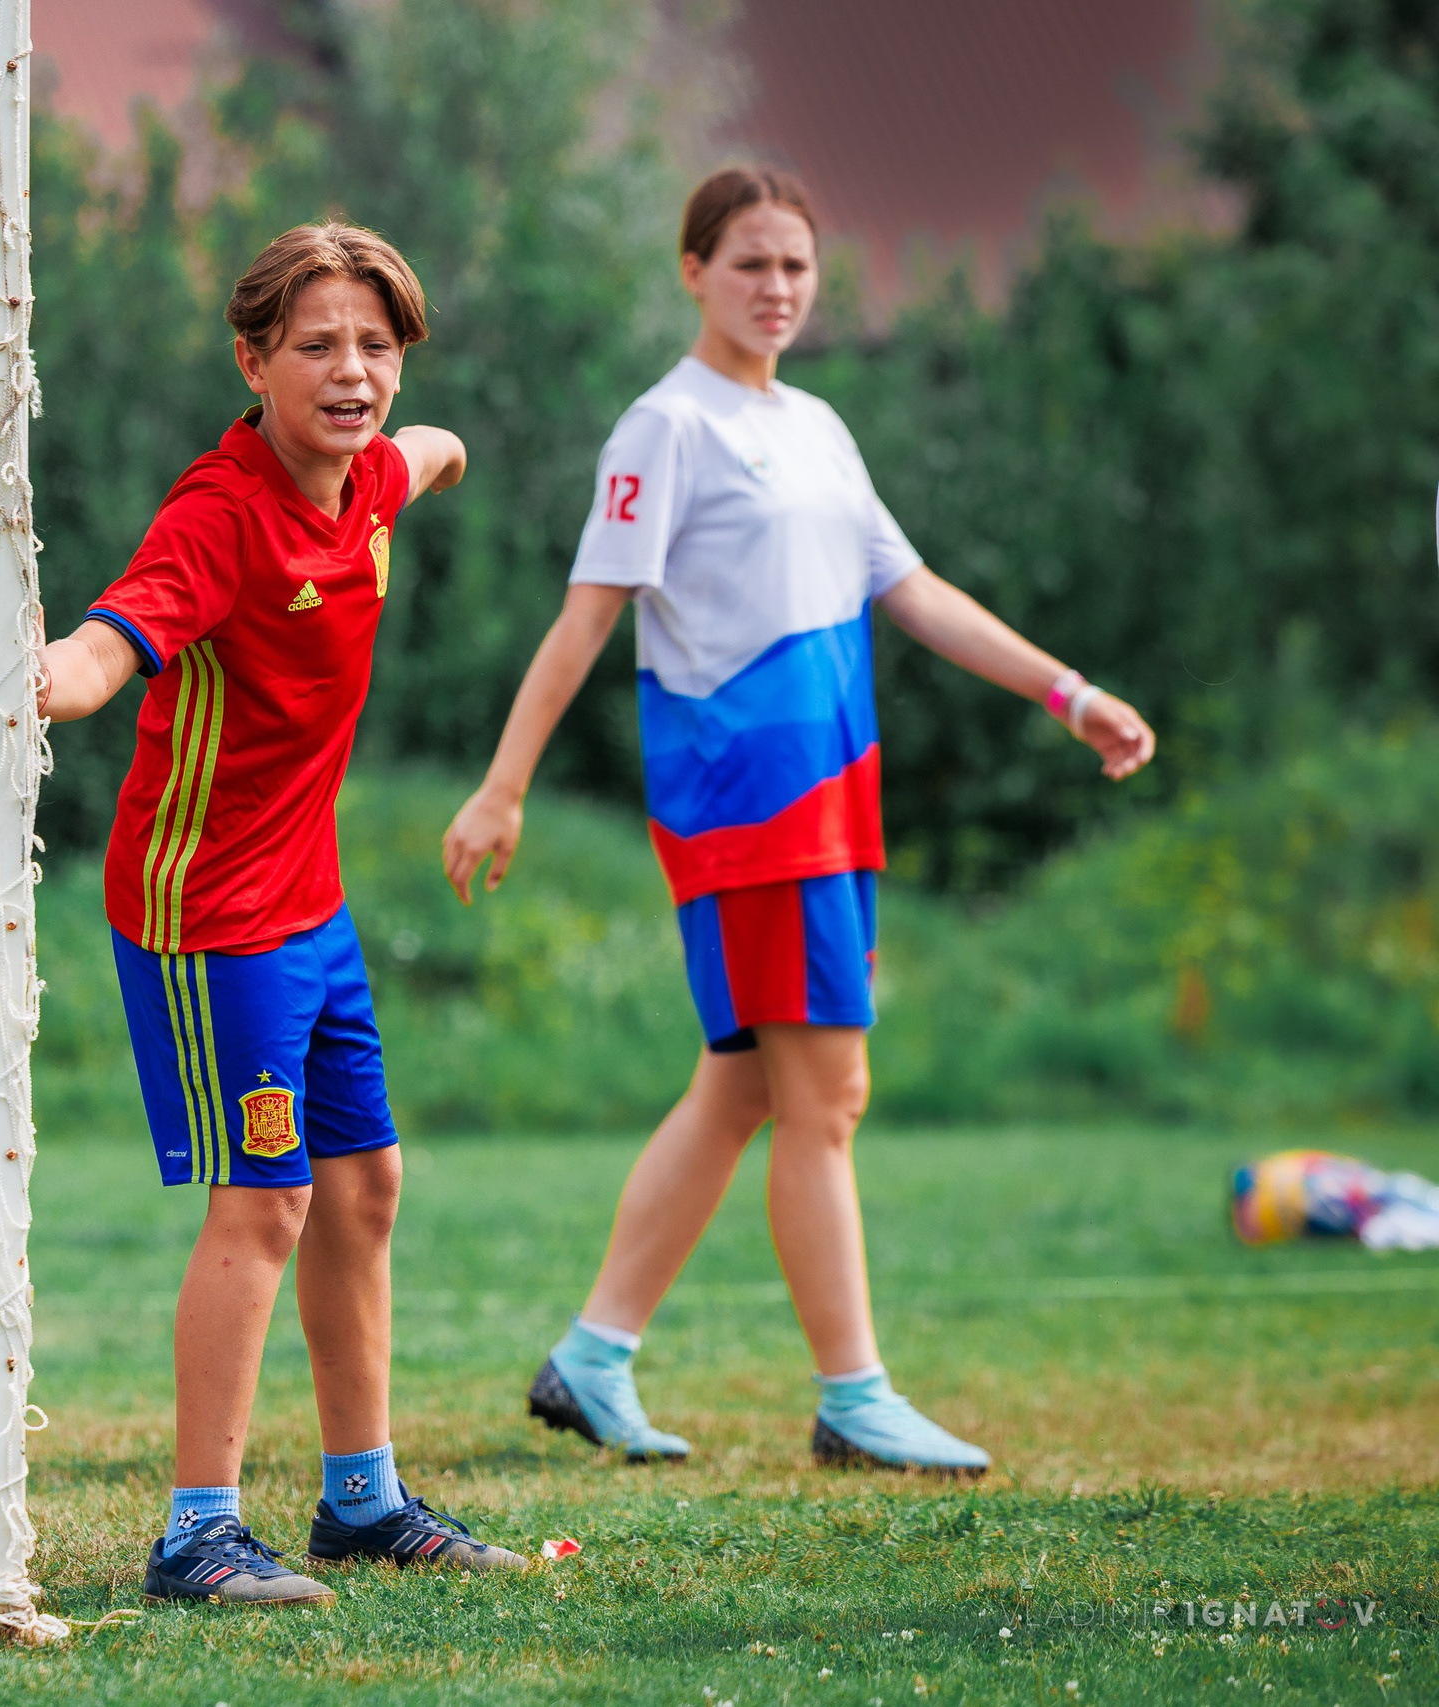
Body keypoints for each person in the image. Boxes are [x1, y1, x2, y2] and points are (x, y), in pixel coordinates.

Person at [441, 167, 1155, 1476]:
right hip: (750, 806)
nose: (777, 289)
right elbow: (585, 619)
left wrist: (1070, 691)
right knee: (827, 1094)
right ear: (693, 270)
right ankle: (853, 1396)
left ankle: (593, 1359)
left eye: (798, 268)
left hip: (838, 797)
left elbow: (916, 590)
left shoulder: (821, 426)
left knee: (748, 1088)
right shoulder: (665, 427)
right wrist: (503, 785)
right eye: (751, 263)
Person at [0, 222, 523, 1604]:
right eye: (317, 345)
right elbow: (108, 645)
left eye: (375, 347)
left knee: (365, 1188)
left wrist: (436, 449)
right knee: (266, 1199)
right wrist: (31, 674)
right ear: (253, 359)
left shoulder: (373, 475)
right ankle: (197, 1531)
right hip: (208, 914)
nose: (352, 372)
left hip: (309, 902)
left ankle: (363, 1503)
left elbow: (422, 455)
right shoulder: (221, 515)